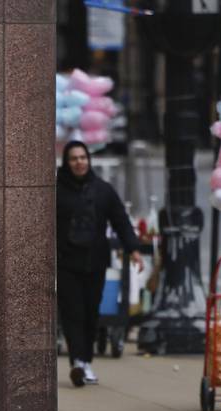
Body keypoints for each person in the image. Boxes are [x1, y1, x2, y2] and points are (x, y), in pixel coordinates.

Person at [56, 141, 141, 387]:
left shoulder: (103, 190)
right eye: (74, 158)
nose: (79, 162)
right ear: (67, 162)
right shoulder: (57, 190)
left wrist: (133, 249)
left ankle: (86, 360)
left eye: (83, 157)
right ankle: (78, 364)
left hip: (95, 262)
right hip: (66, 262)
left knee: (92, 313)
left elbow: (120, 221)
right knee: (73, 314)